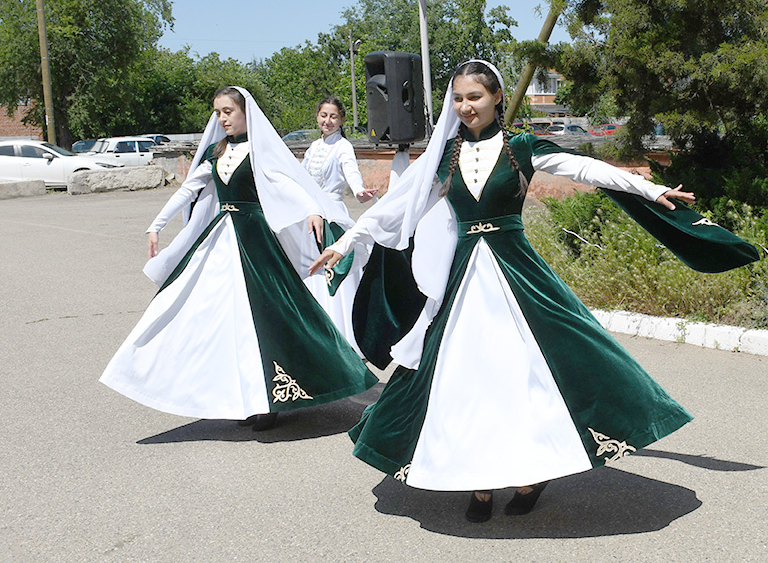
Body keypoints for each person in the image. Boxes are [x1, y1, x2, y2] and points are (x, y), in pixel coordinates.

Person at [311, 60, 760, 522]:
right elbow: (394, 207)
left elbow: (585, 169)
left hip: (518, 270)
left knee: (535, 371)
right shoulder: (443, 156)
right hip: (464, 277)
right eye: (459, 98)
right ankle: (479, 481)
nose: (466, 107)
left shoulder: (521, 147)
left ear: (497, 97)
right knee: (465, 376)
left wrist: (649, 189)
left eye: (475, 97)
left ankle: (532, 472)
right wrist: (346, 243)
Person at [101, 86, 378, 431]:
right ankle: (236, 395)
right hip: (222, 239)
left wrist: (312, 209)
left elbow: (287, 183)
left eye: (228, 111)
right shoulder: (216, 156)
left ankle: (270, 400)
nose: (222, 118)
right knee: (212, 313)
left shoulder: (260, 153)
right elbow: (189, 189)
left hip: (257, 240)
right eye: (218, 112)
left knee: (269, 316)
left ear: (246, 113)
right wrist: (155, 225)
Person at [301, 97, 377, 355]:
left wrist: (358, 192)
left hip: (332, 213)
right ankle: (315, 333)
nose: (327, 121)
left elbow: (351, 171)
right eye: (323, 115)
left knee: (335, 272)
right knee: (310, 271)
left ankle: (343, 334)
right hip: (309, 215)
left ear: (341, 119)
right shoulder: (312, 147)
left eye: (333, 116)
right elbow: (300, 178)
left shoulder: (343, 146)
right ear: (317, 116)